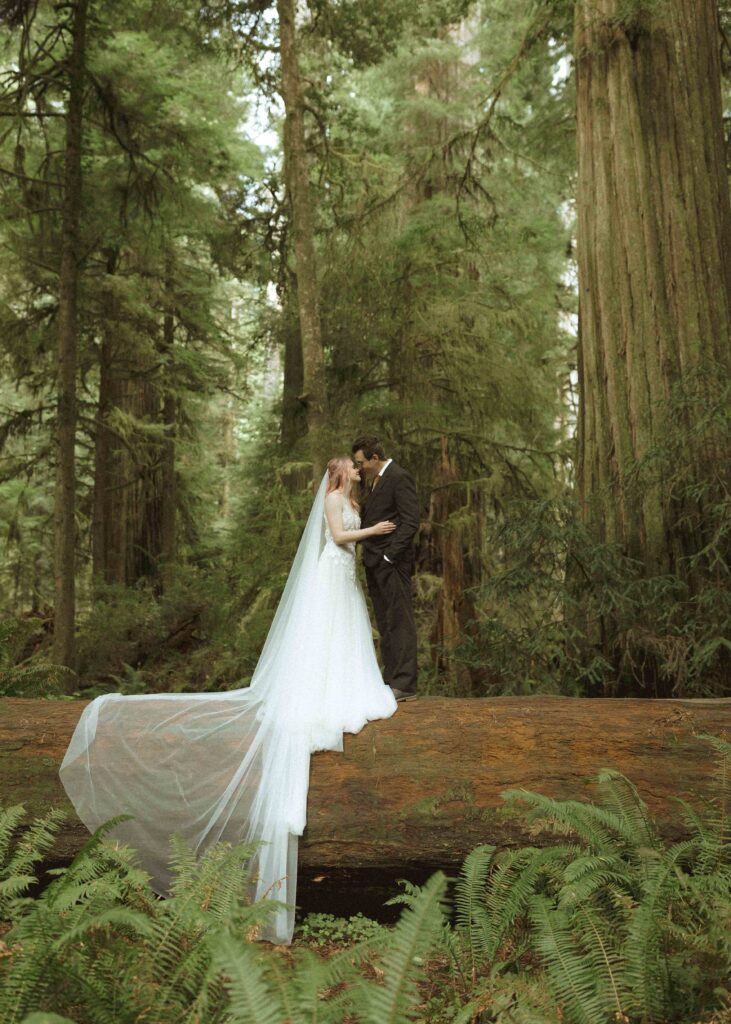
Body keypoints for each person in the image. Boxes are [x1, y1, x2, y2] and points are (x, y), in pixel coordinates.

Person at [59, 457, 399, 945]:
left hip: (345, 578)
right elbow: (337, 539)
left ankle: (348, 685)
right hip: (333, 570)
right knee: (324, 636)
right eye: (350, 465)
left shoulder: (353, 499)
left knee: (345, 637)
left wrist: (370, 524)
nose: (355, 468)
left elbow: (352, 530)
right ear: (338, 473)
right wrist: (372, 532)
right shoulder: (331, 499)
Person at [352, 435, 419, 699]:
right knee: (385, 621)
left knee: (400, 620)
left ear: (375, 458)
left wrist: (390, 556)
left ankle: (405, 684)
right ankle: (391, 680)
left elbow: (411, 521)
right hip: (375, 563)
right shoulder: (375, 481)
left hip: (392, 563)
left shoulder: (399, 477)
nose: (359, 468)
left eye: (361, 462)